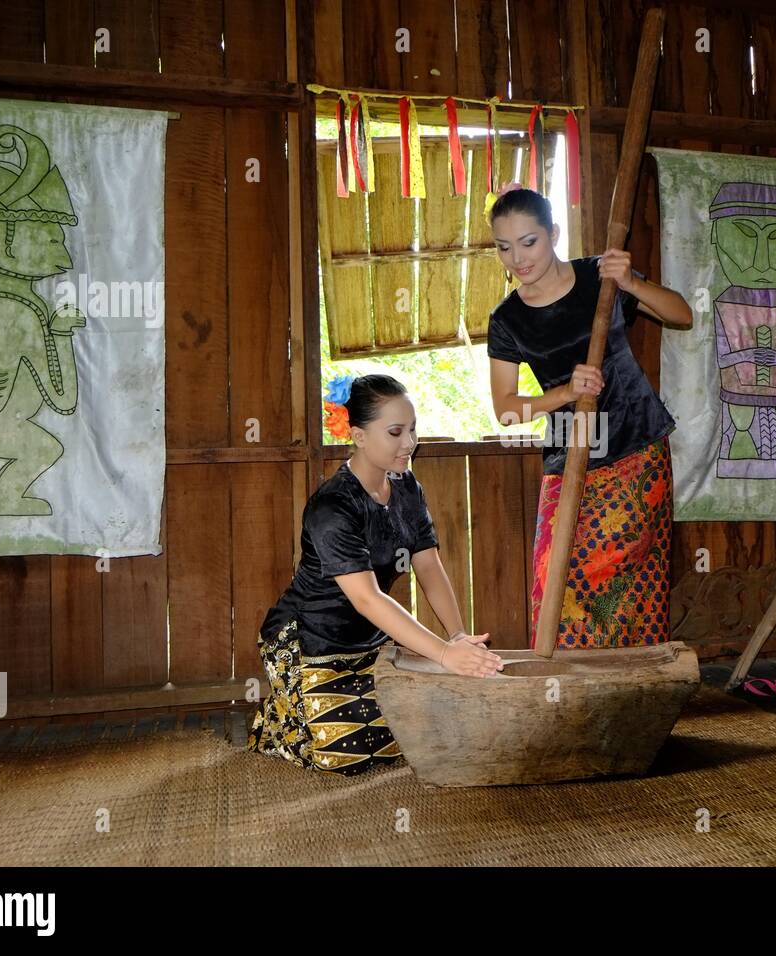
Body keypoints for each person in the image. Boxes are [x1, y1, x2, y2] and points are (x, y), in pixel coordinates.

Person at [248, 374, 502, 775]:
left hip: (374, 643)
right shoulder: (332, 506)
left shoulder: (407, 488)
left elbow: (429, 567)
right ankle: (282, 723)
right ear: (359, 437)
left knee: (436, 719)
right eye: (396, 432)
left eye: (413, 429)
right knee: (350, 754)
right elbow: (366, 598)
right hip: (311, 642)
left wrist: (456, 638)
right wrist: (441, 655)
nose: (409, 442)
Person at [485, 184, 693, 649]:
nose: (518, 258)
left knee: (629, 580)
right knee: (555, 574)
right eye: (504, 247)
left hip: (636, 447)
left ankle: (631, 682)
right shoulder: (507, 319)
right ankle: (570, 682)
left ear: (554, 233)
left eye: (529, 241)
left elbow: (683, 315)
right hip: (569, 451)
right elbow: (506, 409)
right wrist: (563, 391)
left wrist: (632, 282)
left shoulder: (603, 278)